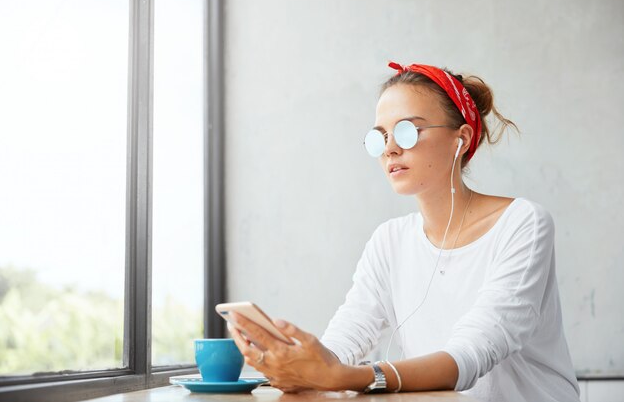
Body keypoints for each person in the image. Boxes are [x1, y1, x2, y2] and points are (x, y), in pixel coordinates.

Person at [228, 62, 581, 402]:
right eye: (380, 137)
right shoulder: (389, 241)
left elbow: (470, 354)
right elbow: (346, 342)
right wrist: (296, 362)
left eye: (406, 131)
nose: (390, 149)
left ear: (462, 139)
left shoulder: (522, 224)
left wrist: (340, 375)